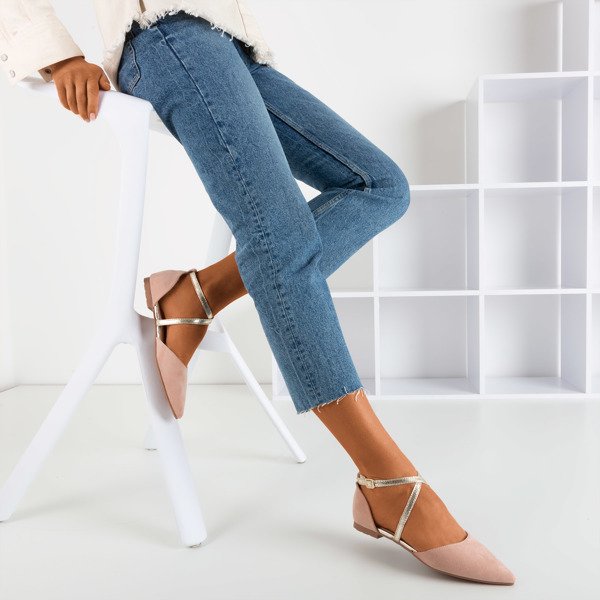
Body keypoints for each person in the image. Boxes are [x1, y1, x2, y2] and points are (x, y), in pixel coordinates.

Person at [0, 1, 515, 585]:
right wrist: (58, 54)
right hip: (166, 39)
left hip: (233, 46)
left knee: (380, 186)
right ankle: (387, 481)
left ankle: (194, 297)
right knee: (281, 239)